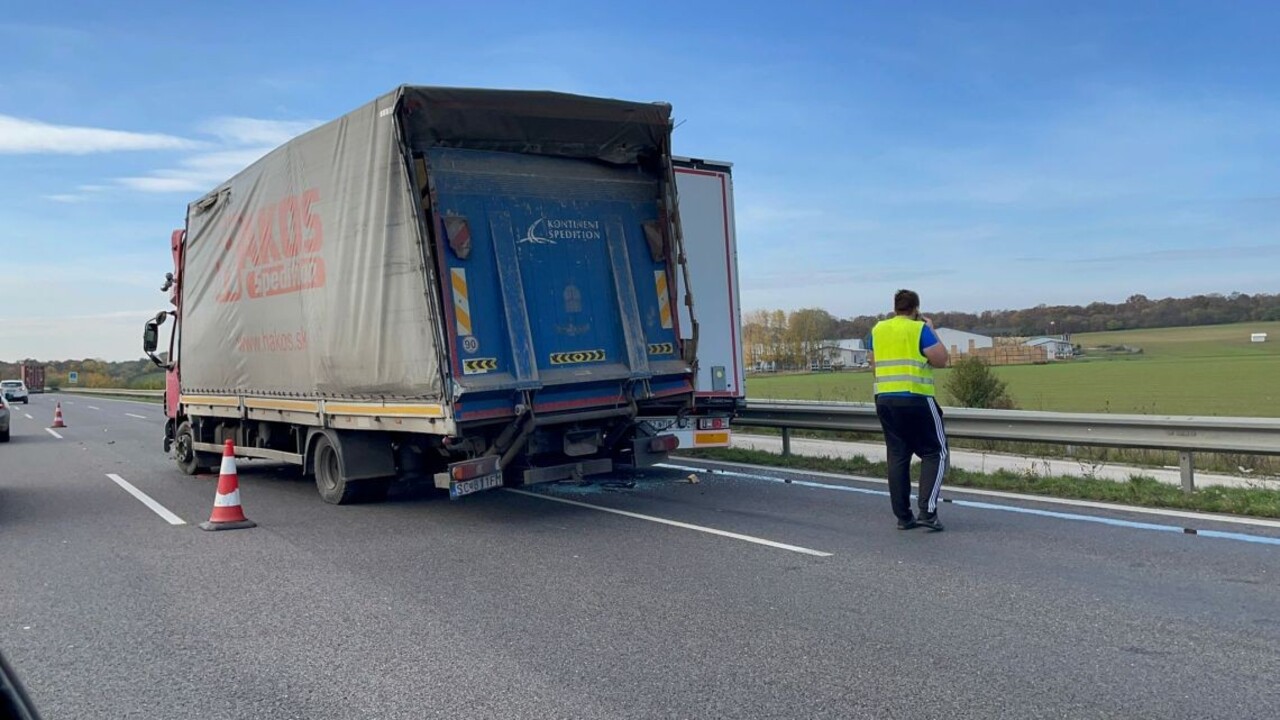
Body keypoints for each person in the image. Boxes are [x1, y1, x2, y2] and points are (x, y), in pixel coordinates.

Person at [866, 289, 950, 531]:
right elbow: (941, 360)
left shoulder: (877, 330)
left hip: (884, 400)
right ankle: (928, 511)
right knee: (936, 452)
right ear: (916, 309)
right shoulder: (918, 329)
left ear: (894, 307)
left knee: (897, 455)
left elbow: (874, 366)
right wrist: (930, 327)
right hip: (917, 398)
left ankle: (904, 516)